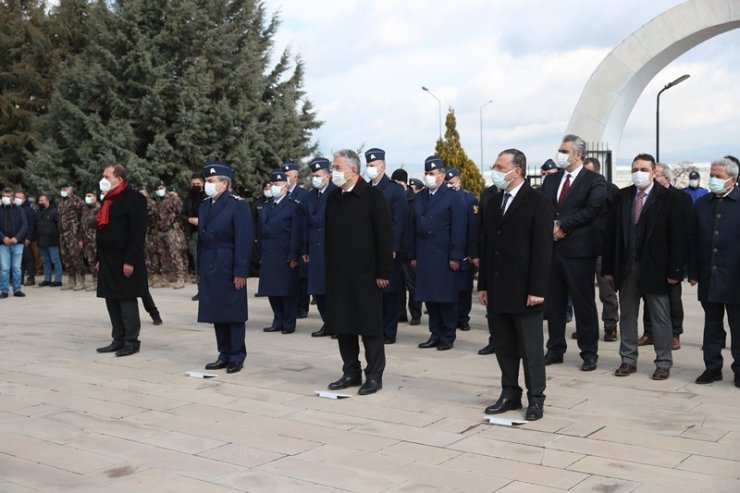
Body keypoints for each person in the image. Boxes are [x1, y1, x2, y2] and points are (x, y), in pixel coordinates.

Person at [478, 148, 552, 421]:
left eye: (500, 166)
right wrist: (483, 284)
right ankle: (510, 393)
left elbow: (543, 249)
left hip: (525, 290)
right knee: (504, 346)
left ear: (516, 170)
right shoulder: (494, 200)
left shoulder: (537, 202)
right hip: (498, 287)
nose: (495, 171)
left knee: (530, 348)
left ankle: (536, 398)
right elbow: (487, 244)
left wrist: (537, 289)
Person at [602, 153, 686, 380]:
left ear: (654, 172)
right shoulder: (622, 197)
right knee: (628, 315)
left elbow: (677, 237)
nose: (638, 173)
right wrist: (609, 268)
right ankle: (628, 360)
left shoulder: (668, 199)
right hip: (627, 268)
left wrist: (674, 271)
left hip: (656, 269)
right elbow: (611, 235)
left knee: (660, 317)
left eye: (644, 169)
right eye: (634, 169)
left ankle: (663, 362)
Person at [324, 149, 393, 394]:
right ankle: (350, 371)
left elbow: (384, 237)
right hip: (339, 274)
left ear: (353, 170)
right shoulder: (334, 198)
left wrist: (384, 271)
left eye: (338, 168)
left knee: (369, 326)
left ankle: (374, 375)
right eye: (334, 167)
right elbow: (328, 236)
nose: (334, 172)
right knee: (344, 325)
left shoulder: (372, 197)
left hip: (366, 274)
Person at [538, 134, 606, 371]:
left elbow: (593, 209)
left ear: (578, 154)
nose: (561, 154)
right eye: (560, 150)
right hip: (552, 250)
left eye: (565, 151)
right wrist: (551, 227)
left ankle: (589, 352)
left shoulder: (594, 181)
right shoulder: (551, 180)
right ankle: (555, 348)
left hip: (579, 251)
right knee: (554, 303)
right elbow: (543, 208)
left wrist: (563, 226)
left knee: (583, 303)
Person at [688, 157, 740, 386]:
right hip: (710, 275)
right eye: (712, 174)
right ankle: (712, 367)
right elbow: (694, 240)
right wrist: (693, 271)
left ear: (733, 179)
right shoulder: (703, 203)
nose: (713, 179)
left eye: (718, 176)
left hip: (735, 276)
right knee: (712, 325)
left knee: (738, 326)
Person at [198, 162, 253, 374]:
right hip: (210, 261)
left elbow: (244, 239)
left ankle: (237, 355)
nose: (207, 184)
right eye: (206, 181)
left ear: (225, 184)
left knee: (233, 311)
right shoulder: (205, 205)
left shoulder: (237, 205)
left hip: (228, 262)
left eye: (211, 181)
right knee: (216, 310)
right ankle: (224, 353)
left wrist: (240, 271)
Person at [410, 155, 467, 351]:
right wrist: (413, 255)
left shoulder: (453, 196)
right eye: (426, 173)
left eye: (432, 173)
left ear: (442, 175)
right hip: (424, 254)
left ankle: (448, 335)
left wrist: (455, 256)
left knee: (445, 298)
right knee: (430, 297)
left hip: (444, 255)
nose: (428, 177)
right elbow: (412, 228)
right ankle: (435, 333)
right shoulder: (420, 197)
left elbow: (459, 228)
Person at [95, 163, 149, 357]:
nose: (103, 180)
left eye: (106, 176)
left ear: (119, 178)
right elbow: (101, 230)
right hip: (108, 258)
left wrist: (130, 260)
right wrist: (99, 257)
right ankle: (118, 339)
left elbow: (137, 233)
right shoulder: (108, 199)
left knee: (127, 300)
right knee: (111, 300)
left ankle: (131, 341)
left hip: (125, 258)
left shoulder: (134, 198)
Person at [639, 162, 692, 350]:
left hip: (671, 259)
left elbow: (683, 232)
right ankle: (649, 332)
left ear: (666, 178)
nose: (652, 177)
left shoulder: (681, 198)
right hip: (649, 260)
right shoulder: (646, 197)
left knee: (673, 298)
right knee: (648, 297)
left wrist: (679, 265)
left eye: (657, 174)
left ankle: (675, 333)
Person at [365, 148, 407, 344]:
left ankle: (389, 332)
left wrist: (393, 247)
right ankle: (375, 328)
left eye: (373, 165)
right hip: (369, 250)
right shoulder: (366, 189)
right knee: (372, 293)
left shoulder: (394, 190)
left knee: (389, 292)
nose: (370, 169)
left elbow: (399, 221)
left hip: (388, 249)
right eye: (368, 165)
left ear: (382, 166)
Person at [257, 170, 304, 335]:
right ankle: (278, 320)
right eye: (272, 185)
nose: (273, 188)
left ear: (285, 187)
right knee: (272, 290)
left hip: (284, 253)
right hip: (269, 253)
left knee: (287, 291)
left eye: (277, 185)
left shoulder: (293, 205)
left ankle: (289, 323)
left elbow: (296, 233)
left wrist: (293, 255)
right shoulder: (266, 205)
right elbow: (261, 230)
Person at [583, 157, 620, 342]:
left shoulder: (611, 190)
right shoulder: (580, 189)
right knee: (583, 292)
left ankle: (610, 326)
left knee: (607, 292)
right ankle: (587, 328)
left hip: (602, 249)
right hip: (582, 248)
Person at [303, 157, 336, 337]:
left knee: (332, 289)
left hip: (330, 246)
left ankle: (338, 324)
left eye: (318, 175)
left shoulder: (335, 193)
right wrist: (305, 249)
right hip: (315, 247)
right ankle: (328, 323)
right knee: (318, 289)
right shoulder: (310, 196)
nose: (315, 178)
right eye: (313, 175)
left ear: (327, 176)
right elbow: (305, 223)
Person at [445, 168, 478, 333]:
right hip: (448, 252)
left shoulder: (469, 199)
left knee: (464, 289)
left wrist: (472, 253)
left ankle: (463, 318)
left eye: (452, 183)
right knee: (451, 289)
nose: (449, 186)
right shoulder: (443, 199)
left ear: (459, 182)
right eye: (447, 183)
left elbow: (473, 228)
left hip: (465, 252)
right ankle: (452, 318)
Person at [393, 168, 422, 326]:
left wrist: (414, 253)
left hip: (409, 250)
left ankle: (415, 314)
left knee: (412, 285)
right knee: (397, 286)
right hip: (395, 250)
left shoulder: (414, 200)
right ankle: (400, 313)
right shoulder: (393, 198)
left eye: (399, 183)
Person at [282, 161, 311, 319]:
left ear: (296, 176)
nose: (286, 178)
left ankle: (302, 306)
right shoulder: (281, 193)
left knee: (302, 276)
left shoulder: (304, 194)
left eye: (288, 175)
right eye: (284, 175)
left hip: (300, 239)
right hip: (286, 240)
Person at [57, 183, 86, 290]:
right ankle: (71, 280)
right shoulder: (61, 202)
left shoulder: (77, 201)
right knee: (66, 258)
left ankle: (80, 281)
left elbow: (83, 219)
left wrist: (80, 237)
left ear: (71, 189)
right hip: (63, 234)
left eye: (65, 189)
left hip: (73, 234)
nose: (63, 191)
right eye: (62, 189)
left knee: (76, 258)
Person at [158, 185, 188, 289]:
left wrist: (178, 226)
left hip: (172, 230)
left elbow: (181, 213)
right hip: (162, 230)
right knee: (163, 255)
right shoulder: (162, 201)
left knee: (176, 253)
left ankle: (181, 278)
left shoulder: (175, 200)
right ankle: (166, 277)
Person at [0, 188, 28, 298]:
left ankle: (17, 289)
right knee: (5, 268)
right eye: (4, 196)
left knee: (16, 268)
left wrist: (17, 238)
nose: (5, 198)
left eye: (8, 196)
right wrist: (3, 238)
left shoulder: (19, 210)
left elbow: (24, 225)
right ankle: (4, 290)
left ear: (12, 197)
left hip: (17, 243)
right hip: (3, 244)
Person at [182, 173, 205, 300]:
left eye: (198, 184)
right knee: (197, 262)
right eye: (194, 184)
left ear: (202, 183)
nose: (196, 186)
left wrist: (201, 220)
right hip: (193, 233)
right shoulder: (188, 198)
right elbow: (182, 215)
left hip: (205, 233)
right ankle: (200, 290)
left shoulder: (207, 197)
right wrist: (189, 219)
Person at [36, 195, 63, 287]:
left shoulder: (54, 211)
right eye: (39, 200)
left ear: (47, 201)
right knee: (45, 261)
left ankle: (58, 280)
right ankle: (47, 279)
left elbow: (59, 225)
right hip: (41, 241)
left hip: (52, 240)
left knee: (55, 260)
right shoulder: (39, 212)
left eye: (42, 200)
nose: (40, 202)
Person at [14, 191, 37, 287]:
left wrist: (28, 238)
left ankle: (31, 278)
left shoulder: (29, 210)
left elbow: (31, 225)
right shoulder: (14, 208)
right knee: (19, 260)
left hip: (25, 238)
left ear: (24, 199)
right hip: (16, 238)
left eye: (20, 198)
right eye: (16, 197)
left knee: (28, 259)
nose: (17, 199)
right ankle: (19, 279)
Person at [81, 192, 101, 291]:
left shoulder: (99, 208)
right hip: (87, 239)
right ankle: (95, 282)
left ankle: (103, 282)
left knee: (100, 261)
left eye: (90, 196)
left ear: (95, 197)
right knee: (91, 261)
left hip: (96, 239)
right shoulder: (85, 209)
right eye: (86, 196)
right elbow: (83, 224)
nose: (87, 198)